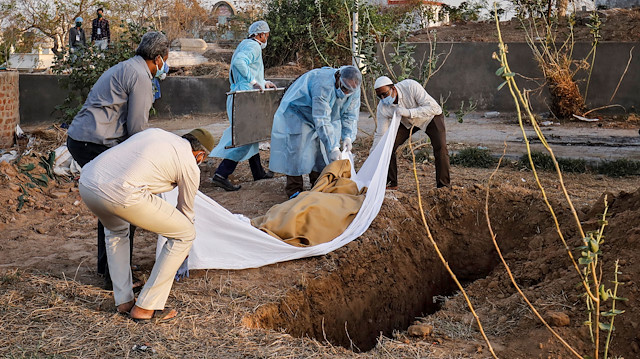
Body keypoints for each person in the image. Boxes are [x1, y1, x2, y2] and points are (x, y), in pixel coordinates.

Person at [66, 31, 170, 290]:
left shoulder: (127, 67)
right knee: (122, 204)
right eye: (166, 59)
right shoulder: (142, 78)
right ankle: (116, 275)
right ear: (158, 58)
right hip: (94, 141)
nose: (165, 65)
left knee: (111, 206)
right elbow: (137, 130)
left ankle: (111, 267)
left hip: (84, 138)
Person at [78, 127, 215, 321]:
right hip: (122, 193)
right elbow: (185, 212)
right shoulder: (190, 164)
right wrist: (183, 252)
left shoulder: (158, 134)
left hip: (88, 183)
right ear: (200, 154)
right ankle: (146, 307)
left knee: (116, 231)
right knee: (185, 234)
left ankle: (124, 300)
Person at [269, 65, 362, 198]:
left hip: (326, 116)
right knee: (297, 150)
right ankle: (294, 189)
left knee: (321, 152)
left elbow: (350, 115)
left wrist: (348, 137)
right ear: (337, 78)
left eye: (349, 91)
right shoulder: (323, 84)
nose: (346, 93)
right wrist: (334, 147)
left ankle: (318, 184)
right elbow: (321, 118)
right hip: (300, 112)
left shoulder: (354, 89)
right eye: (344, 88)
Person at [209, 20, 276, 191]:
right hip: (244, 98)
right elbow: (239, 62)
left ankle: (258, 172)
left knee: (252, 135)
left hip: (244, 95)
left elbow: (247, 69)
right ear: (259, 35)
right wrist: (254, 82)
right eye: (266, 35)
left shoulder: (246, 44)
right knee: (245, 138)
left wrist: (263, 82)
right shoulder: (253, 46)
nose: (266, 38)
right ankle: (221, 174)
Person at [371, 76, 450, 189]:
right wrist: (374, 151)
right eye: (379, 96)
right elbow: (381, 134)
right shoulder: (382, 108)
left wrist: (408, 112)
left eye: (385, 94)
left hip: (430, 118)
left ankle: (443, 186)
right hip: (407, 123)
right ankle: (391, 183)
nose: (383, 98)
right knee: (387, 146)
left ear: (393, 88)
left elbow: (434, 108)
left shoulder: (410, 86)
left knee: (441, 147)